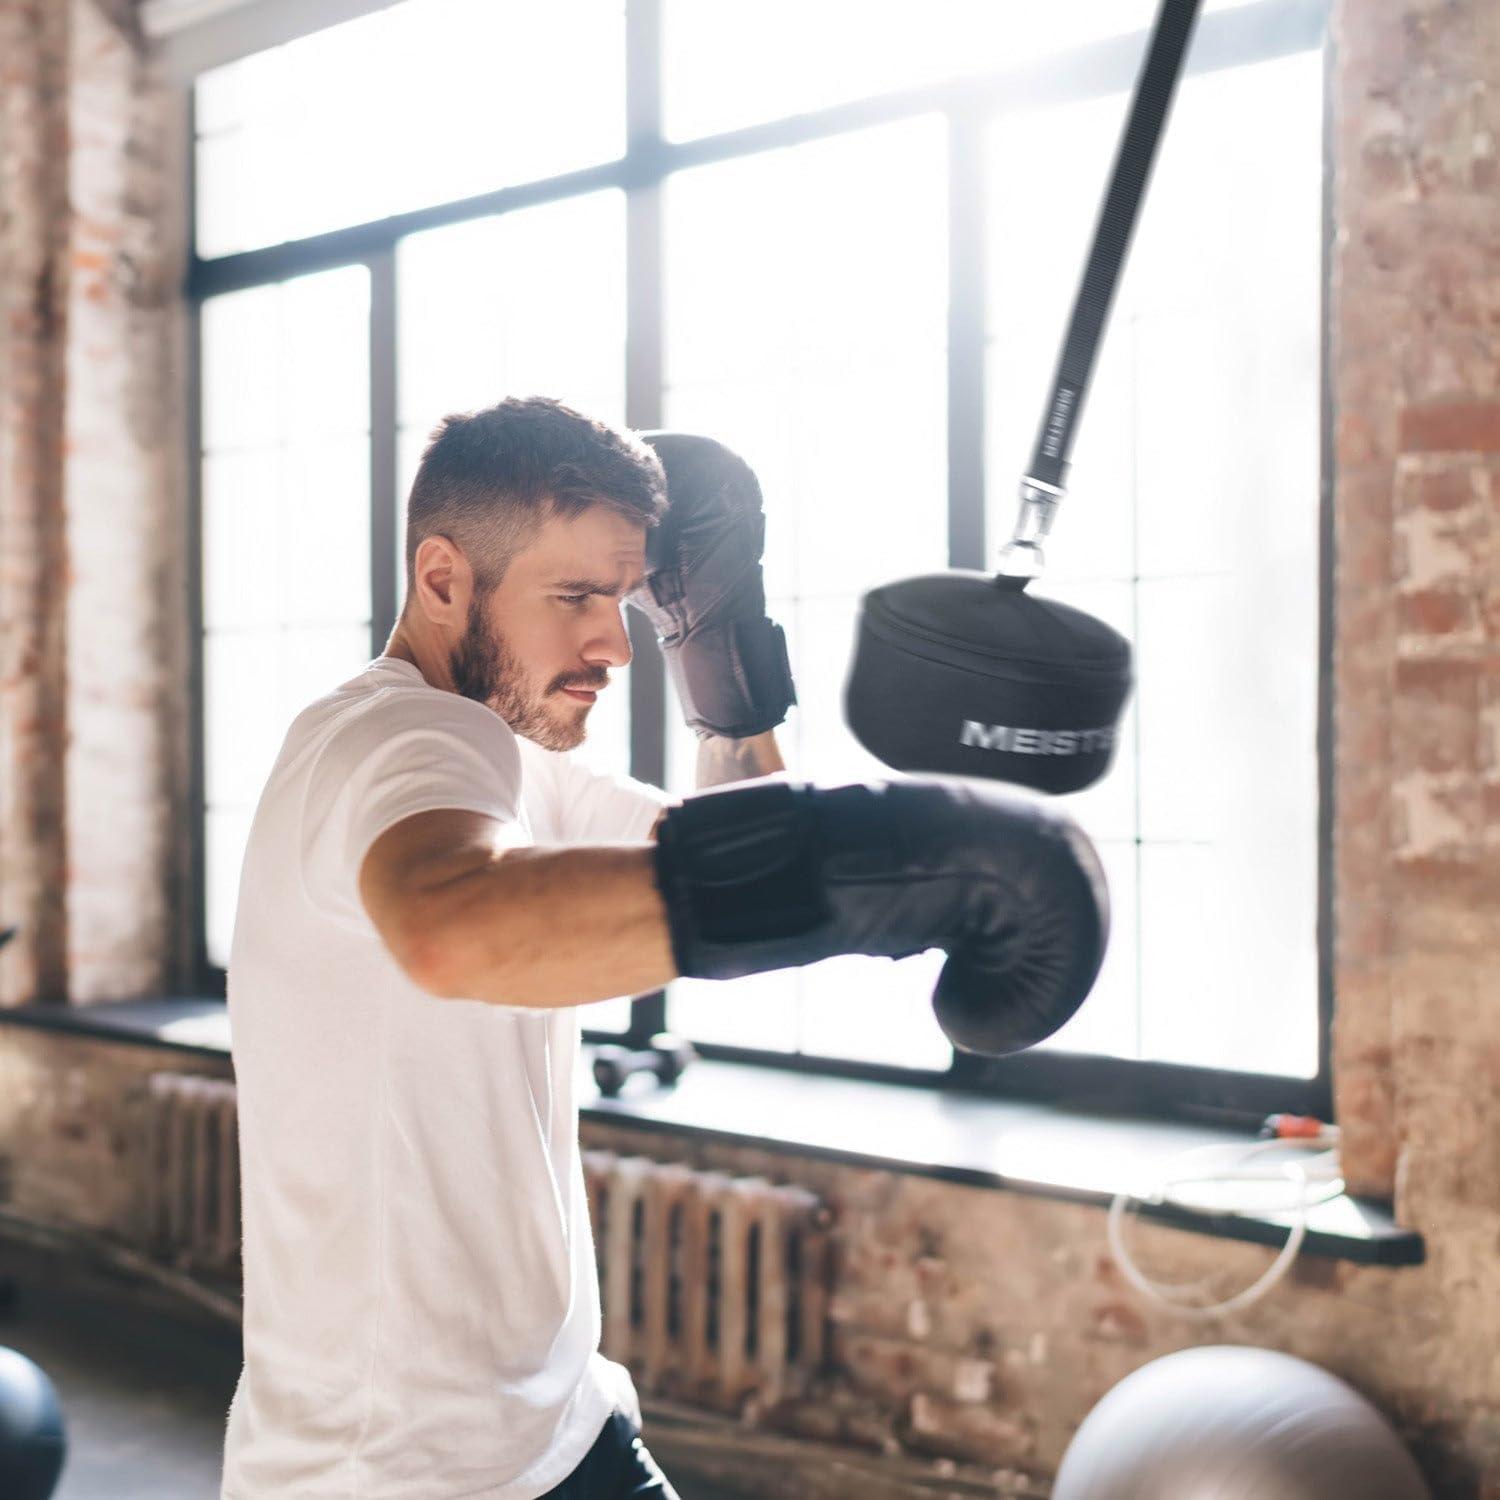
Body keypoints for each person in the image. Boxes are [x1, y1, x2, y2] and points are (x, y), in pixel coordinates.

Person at [223, 395, 1107, 1499]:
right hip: (402, 1475)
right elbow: (453, 929)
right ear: (443, 578)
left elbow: (726, 844)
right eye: (579, 597)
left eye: (631, 599)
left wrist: (721, 653)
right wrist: (923, 855)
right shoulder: (397, 736)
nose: (613, 642)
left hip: (556, 1421)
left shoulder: (504, 757)